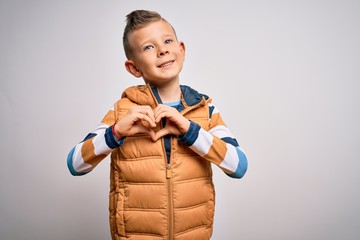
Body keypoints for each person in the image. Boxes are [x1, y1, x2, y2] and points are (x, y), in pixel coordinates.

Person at [67, 9, 248, 240]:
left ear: (180, 50)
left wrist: (190, 131)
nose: (162, 50)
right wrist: (116, 133)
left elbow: (239, 167)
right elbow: (75, 164)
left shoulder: (206, 110)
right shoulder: (122, 112)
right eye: (148, 47)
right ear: (134, 68)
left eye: (167, 41)